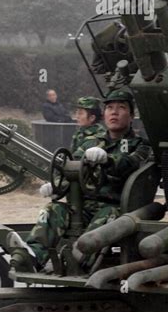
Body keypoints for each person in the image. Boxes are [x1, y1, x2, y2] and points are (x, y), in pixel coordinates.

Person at [9, 89, 152, 271]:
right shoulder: (90, 143)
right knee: (54, 210)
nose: (114, 112)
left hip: (117, 209)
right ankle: (32, 256)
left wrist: (107, 160)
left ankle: (75, 262)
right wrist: (57, 186)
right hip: (83, 206)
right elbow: (71, 168)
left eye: (121, 108)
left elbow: (131, 164)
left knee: (106, 217)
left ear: (131, 115)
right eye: (109, 108)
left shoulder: (141, 146)